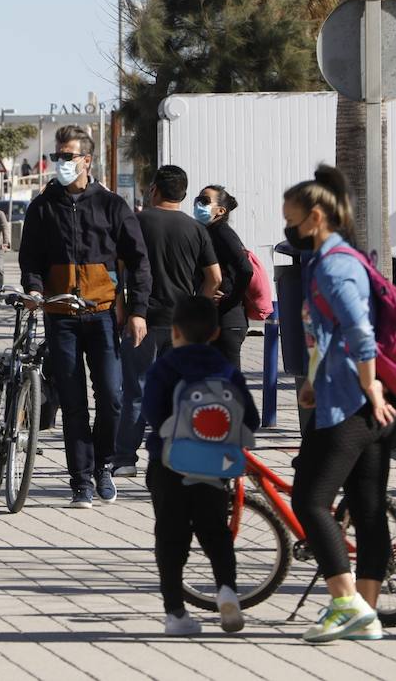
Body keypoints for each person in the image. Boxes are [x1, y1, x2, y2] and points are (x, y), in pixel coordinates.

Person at [284, 165, 396, 643]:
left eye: (290, 218)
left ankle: (346, 601)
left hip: (354, 403)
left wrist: (369, 387)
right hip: (364, 400)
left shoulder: (333, 264)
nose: (287, 228)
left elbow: (359, 332)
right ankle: (365, 615)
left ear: (314, 218)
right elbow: (329, 334)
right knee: (367, 509)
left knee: (309, 501)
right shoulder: (340, 258)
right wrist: (312, 380)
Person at [18, 125, 151, 509]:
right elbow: (31, 259)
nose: (60, 162)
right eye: (57, 155)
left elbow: (139, 262)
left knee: (110, 396)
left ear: (86, 160)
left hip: (104, 315)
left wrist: (138, 310)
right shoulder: (43, 206)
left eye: (68, 156)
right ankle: (81, 480)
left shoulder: (112, 205)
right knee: (73, 401)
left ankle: (105, 466)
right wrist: (34, 289)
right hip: (60, 315)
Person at [142, 295, 259, 636]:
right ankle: (226, 590)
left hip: (168, 465)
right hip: (213, 467)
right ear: (215, 333)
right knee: (215, 533)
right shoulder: (225, 369)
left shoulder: (163, 367)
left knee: (170, 536)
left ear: (174, 332)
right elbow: (248, 418)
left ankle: (176, 614)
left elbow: (152, 413)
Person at [113, 164, 221, 478]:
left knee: (135, 390)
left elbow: (117, 270)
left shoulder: (136, 222)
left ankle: (124, 459)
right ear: (184, 194)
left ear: (154, 190)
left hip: (141, 319)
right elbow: (214, 278)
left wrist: (122, 306)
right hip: (182, 324)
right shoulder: (196, 229)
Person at [195, 185, 254, 371]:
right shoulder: (209, 232)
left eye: (204, 201)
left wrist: (230, 300)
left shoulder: (222, 232)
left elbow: (246, 269)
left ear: (221, 210)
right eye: (198, 199)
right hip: (217, 321)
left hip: (228, 322)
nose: (198, 204)